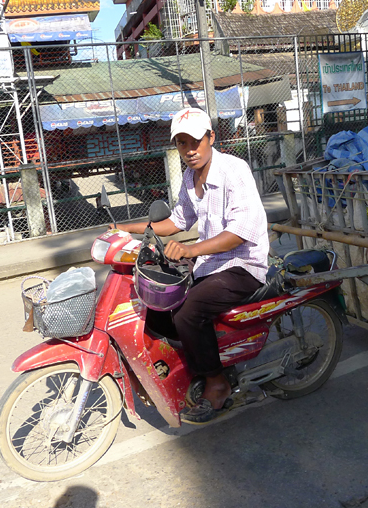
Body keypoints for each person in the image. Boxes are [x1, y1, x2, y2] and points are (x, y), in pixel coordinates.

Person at [115, 107, 269, 424]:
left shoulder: (234, 171)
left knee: (189, 309)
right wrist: (126, 230)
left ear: (211, 137)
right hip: (211, 265)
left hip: (244, 266)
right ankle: (196, 367)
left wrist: (191, 249)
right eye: (182, 144)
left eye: (195, 141)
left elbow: (239, 234)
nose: (189, 150)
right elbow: (176, 221)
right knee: (159, 302)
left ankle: (217, 383)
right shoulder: (190, 176)